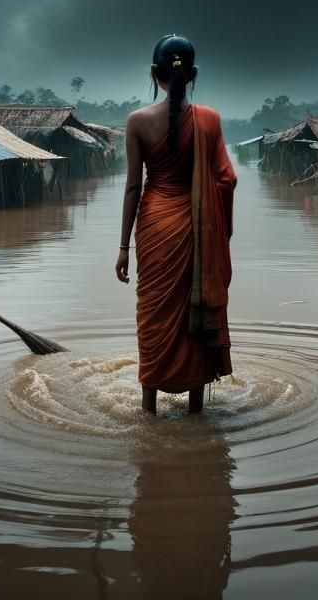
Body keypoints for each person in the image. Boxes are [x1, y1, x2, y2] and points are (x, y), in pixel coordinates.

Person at [116, 34, 237, 414]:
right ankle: (196, 409)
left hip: (154, 227)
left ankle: (148, 407)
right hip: (194, 228)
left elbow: (134, 186)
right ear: (194, 73)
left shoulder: (137, 121)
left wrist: (123, 248)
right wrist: (217, 224)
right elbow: (226, 181)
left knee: (153, 313)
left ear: (155, 73)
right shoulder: (210, 120)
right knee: (193, 312)